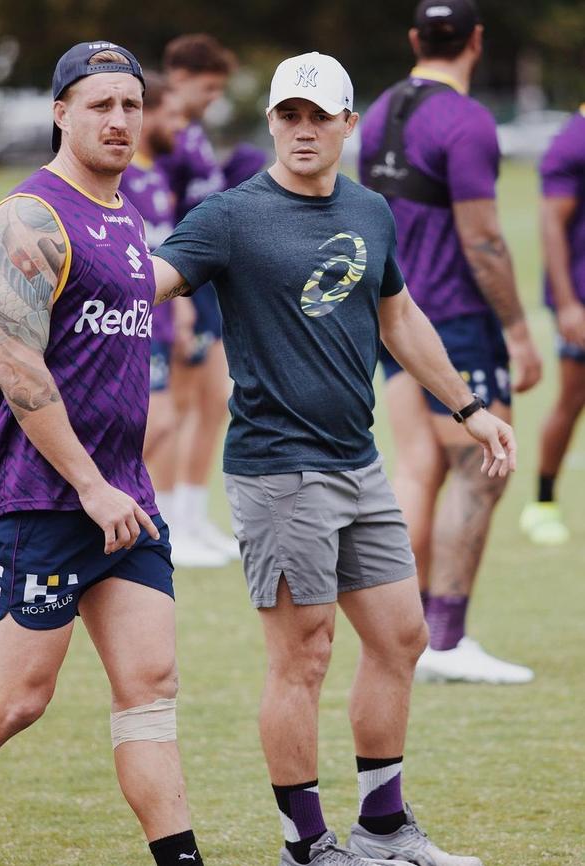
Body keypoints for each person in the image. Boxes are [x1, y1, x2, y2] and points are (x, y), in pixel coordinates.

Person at [150, 50, 517, 866]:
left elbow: (402, 319)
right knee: (303, 656)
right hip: (279, 471)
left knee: (401, 636)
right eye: (289, 115)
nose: (303, 130)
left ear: (349, 124)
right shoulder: (231, 216)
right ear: (272, 122)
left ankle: (382, 827)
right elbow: (151, 279)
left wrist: (469, 406)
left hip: (359, 464)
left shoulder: (369, 210)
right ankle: (306, 844)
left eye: (320, 116)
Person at [0, 42, 205, 866]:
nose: (119, 120)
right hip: (45, 499)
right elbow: (20, 369)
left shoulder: (124, 215)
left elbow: (139, 291)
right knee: (15, 699)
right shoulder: (30, 216)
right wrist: (89, 486)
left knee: (150, 689)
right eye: (100, 105)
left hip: (123, 500)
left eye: (131, 104)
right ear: (61, 112)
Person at [359, 0, 542, 684]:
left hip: (390, 312)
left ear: (414, 39)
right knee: (479, 470)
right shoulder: (465, 119)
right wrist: (520, 332)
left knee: (417, 468)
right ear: (476, 41)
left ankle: (408, 634)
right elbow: (484, 238)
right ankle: (447, 638)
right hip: (456, 319)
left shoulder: (378, 112)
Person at [158, 33, 241, 567]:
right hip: (179, 287)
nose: (213, 98)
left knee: (215, 402)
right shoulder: (162, 141)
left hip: (211, 287)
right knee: (178, 405)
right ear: (180, 78)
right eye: (208, 88)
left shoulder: (195, 135)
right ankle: (167, 523)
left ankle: (191, 516)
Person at [119, 72, 195, 512]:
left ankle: (130, 507)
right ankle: (103, 502)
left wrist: (181, 313)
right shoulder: (124, 177)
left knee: (164, 421)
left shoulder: (157, 176)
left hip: (161, 319)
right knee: (159, 420)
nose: (181, 126)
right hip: (135, 322)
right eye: (172, 116)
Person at [519, 106, 585, 545]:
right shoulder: (573, 142)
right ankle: (542, 502)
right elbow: (550, 223)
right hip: (582, 299)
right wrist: (566, 304)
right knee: (572, 399)